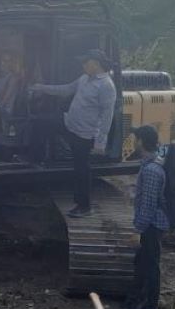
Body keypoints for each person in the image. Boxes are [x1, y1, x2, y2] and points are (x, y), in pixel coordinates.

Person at [30, 49, 117, 217]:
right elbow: (66, 89)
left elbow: (107, 116)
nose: (83, 65)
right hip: (69, 122)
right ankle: (36, 158)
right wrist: (41, 88)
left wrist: (100, 142)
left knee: (81, 169)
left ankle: (84, 207)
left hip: (84, 133)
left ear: (96, 64)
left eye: (86, 62)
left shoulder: (106, 85)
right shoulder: (85, 78)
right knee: (41, 121)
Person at [126, 125, 169, 309]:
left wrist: (138, 230)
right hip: (149, 225)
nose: (134, 142)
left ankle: (151, 308)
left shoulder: (151, 170)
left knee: (151, 267)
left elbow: (149, 205)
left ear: (141, 142)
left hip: (152, 226)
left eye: (136, 139)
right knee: (141, 264)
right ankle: (135, 301)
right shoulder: (148, 165)